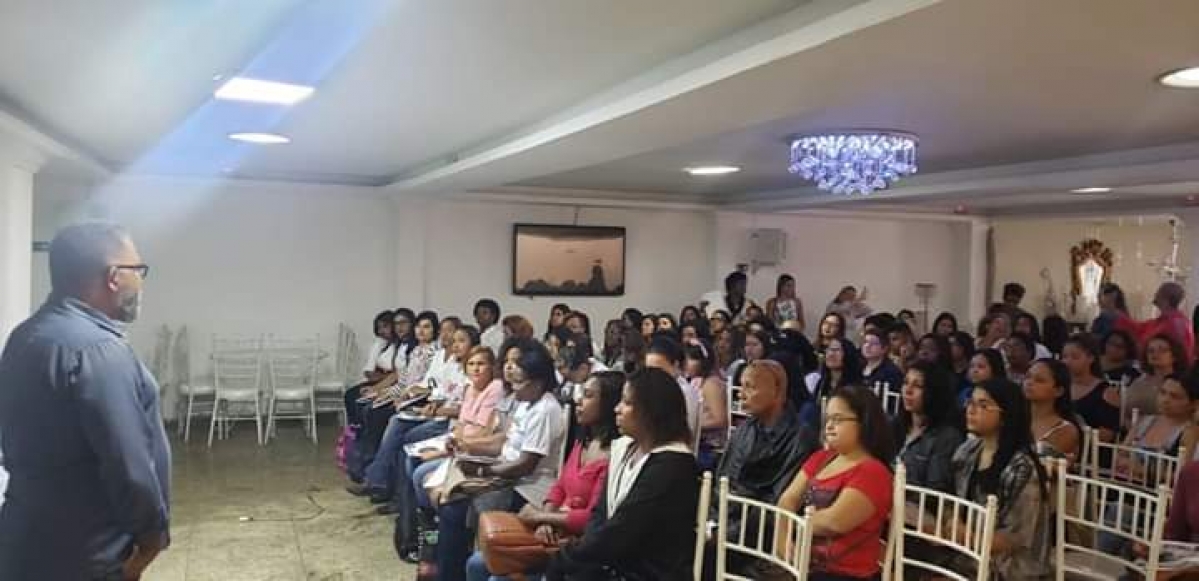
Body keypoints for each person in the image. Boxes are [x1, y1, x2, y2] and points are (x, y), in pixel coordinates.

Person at [0, 223, 171, 580]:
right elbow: (128, 462)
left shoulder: (24, 337)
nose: (140, 282)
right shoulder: (99, 351)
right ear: (113, 277)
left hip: (24, 540)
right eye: (138, 270)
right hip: (87, 552)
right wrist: (151, 540)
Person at [465, 371, 623, 581]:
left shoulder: (613, 455)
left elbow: (592, 518)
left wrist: (541, 517)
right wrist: (546, 520)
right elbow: (560, 487)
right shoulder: (584, 441)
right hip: (555, 525)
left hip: (575, 545)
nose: (578, 400)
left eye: (588, 395)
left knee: (495, 574)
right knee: (477, 562)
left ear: (609, 403)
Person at [546, 369, 700, 581]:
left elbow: (624, 529)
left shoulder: (673, 464)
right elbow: (600, 515)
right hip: (612, 565)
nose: (617, 409)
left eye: (627, 403)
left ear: (650, 411)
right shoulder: (623, 448)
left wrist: (565, 557)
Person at [437, 339, 566, 581]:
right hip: (507, 474)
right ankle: (448, 570)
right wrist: (467, 449)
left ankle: (458, 570)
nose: (514, 387)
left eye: (519, 381)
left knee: (458, 507)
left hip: (528, 487)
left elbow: (525, 465)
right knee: (448, 498)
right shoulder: (527, 403)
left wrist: (483, 471)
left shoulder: (545, 410)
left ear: (537, 380)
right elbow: (504, 443)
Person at [706, 359, 820, 579]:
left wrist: (727, 533)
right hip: (727, 521)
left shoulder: (801, 438)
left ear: (777, 392)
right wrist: (712, 522)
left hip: (760, 535)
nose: (741, 394)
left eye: (750, 387)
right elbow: (722, 481)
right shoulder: (745, 430)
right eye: (741, 386)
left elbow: (777, 502)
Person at [778, 385, 895, 581]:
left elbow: (834, 522)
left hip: (846, 575)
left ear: (863, 423)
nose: (829, 426)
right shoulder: (821, 458)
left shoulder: (873, 472)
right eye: (827, 419)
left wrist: (794, 522)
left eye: (838, 419)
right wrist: (783, 540)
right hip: (805, 566)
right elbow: (787, 500)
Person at [953, 378, 1052, 580]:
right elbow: (954, 501)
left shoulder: (1023, 468)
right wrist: (952, 522)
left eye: (983, 405)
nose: (971, 410)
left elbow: (1014, 538)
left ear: (1005, 416)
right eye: (970, 402)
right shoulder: (967, 451)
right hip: (968, 553)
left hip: (1010, 567)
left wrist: (966, 537)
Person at [893, 361, 965, 492]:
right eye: (905, 383)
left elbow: (934, 491)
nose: (908, 391)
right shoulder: (896, 425)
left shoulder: (947, 437)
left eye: (917, 386)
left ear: (933, 392)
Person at [1063, 334, 1121, 443]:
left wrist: (1077, 431)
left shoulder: (1106, 392)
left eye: (1075, 357)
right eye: (1065, 357)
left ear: (1091, 358)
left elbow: (1107, 435)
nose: (1067, 361)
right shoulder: (1059, 387)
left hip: (1089, 447)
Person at [645, 334, 701, 445]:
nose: (653, 375)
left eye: (659, 370)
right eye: (649, 370)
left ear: (675, 365)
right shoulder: (652, 388)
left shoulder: (684, 392)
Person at [1023, 358, 1082, 462]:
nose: (1029, 382)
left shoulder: (1066, 430)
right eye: (1028, 377)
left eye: (1039, 380)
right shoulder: (1015, 416)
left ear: (1058, 391)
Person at [1124, 333, 1188, 428]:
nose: (1155, 354)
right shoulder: (1139, 381)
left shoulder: (1181, 383)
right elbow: (1125, 410)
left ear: (1174, 355)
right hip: (1132, 430)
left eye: (1162, 350)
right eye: (1150, 351)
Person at [683, 339, 728, 469]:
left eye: (692, 359)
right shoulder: (693, 381)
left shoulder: (711, 384)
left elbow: (720, 420)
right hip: (694, 442)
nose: (686, 363)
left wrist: (692, 424)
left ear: (703, 361)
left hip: (709, 447)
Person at [1135, 282, 1196, 363]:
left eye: (1158, 293)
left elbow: (1182, 351)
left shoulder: (1175, 324)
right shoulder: (1160, 321)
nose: (1155, 294)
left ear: (1164, 298)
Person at [861, 328, 904, 393]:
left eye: (873, 343)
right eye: (865, 342)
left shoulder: (891, 373)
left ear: (884, 348)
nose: (867, 346)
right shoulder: (859, 367)